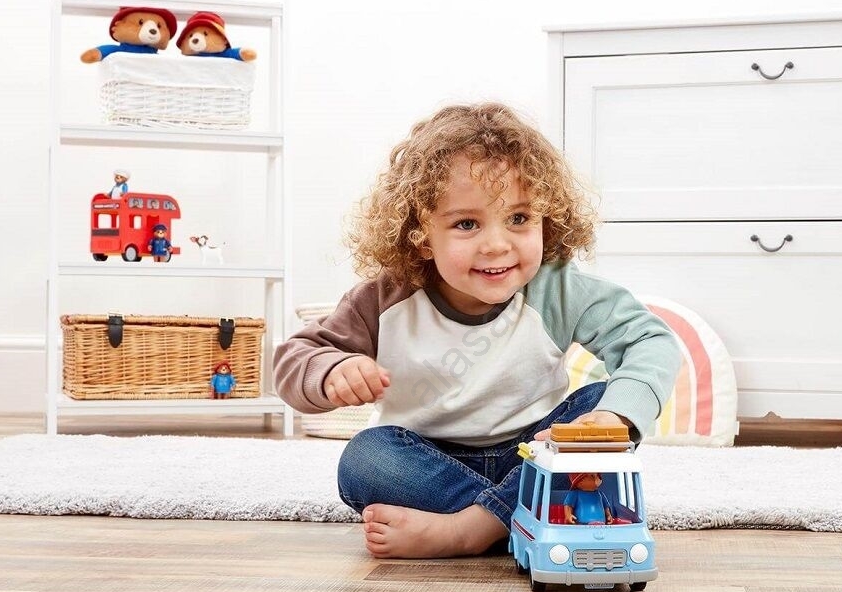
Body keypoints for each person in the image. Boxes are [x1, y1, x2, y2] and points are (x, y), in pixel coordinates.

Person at [274, 102, 679, 559]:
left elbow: (650, 340)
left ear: (547, 219)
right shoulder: (385, 298)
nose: (497, 244)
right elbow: (296, 358)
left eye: (519, 219)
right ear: (421, 236)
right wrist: (332, 370)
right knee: (365, 459)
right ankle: (522, 518)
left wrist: (614, 417)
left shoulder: (558, 289)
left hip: (534, 454)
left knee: (600, 401)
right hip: (426, 462)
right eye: (467, 224)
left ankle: (470, 530)